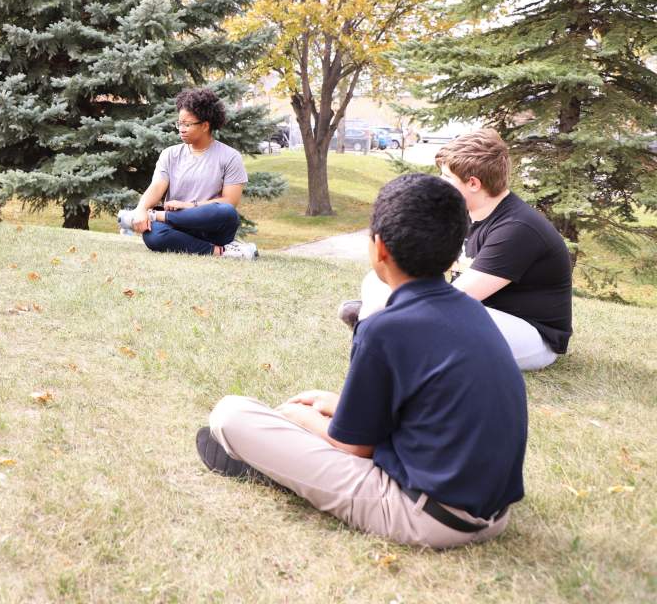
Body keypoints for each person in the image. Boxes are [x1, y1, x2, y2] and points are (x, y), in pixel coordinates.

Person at [198, 173, 527, 549]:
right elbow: (421, 408)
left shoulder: (385, 328)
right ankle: (283, 453)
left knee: (231, 414)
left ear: (379, 248)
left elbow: (354, 450)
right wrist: (336, 406)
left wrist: (298, 418)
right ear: (454, 255)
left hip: (430, 518)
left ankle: (275, 463)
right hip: (493, 515)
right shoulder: (471, 309)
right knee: (321, 411)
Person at [341, 129, 572, 371]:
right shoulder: (465, 213)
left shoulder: (517, 228)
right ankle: (380, 320)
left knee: (438, 317)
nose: (440, 183)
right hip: (478, 314)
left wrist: (396, 304)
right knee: (379, 278)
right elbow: (420, 273)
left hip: (531, 336)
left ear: (473, 183)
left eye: (447, 177)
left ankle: (379, 323)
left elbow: (455, 298)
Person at [118, 88, 257, 259]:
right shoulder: (170, 154)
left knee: (227, 213)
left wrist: (189, 206)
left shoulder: (230, 157)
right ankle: (221, 251)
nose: (181, 129)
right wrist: (141, 209)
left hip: (211, 229)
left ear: (205, 125)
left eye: (187, 124)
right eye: (179, 123)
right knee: (153, 235)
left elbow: (230, 202)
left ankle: (155, 215)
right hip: (177, 228)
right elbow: (156, 187)